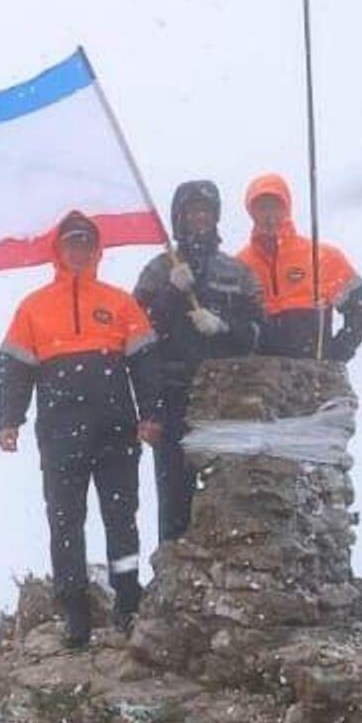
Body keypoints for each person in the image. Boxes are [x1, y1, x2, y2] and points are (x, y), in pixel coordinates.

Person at [0, 211, 164, 648]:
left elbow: (146, 363)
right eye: (71, 242)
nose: (79, 250)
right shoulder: (33, 307)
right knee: (65, 523)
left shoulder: (120, 302)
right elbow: (14, 368)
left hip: (116, 433)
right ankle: (74, 612)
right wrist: (8, 421)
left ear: (96, 249)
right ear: (59, 249)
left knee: (121, 520)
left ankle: (127, 600)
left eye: (86, 243)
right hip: (60, 436)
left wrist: (151, 414)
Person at [133, 179, 265, 544]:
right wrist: (172, 294)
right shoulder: (158, 271)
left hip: (226, 396)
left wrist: (223, 327)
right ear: (179, 217)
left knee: (232, 492)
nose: (200, 217)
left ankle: (224, 577)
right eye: (193, 211)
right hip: (173, 394)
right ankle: (175, 576)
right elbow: (137, 334)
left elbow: (258, 333)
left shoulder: (238, 273)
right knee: (175, 494)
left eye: (206, 210)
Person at [235, 172, 362, 362]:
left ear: (287, 208)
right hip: (262, 379)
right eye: (262, 208)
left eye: (276, 207)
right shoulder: (240, 266)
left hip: (315, 375)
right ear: (251, 212)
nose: (270, 215)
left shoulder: (322, 258)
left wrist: (337, 354)